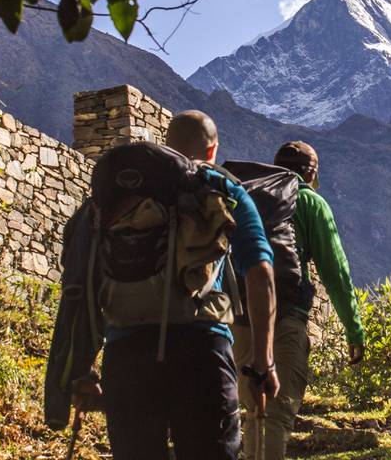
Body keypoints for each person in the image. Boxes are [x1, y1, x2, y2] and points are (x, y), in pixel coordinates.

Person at [74, 110, 280, 460]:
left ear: (167, 144)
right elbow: (260, 273)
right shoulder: (219, 186)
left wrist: (80, 368)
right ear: (212, 149)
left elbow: (81, 281)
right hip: (202, 350)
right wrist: (263, 362)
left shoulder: (119, 196)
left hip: (126, 354)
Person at [234, 140, 366, 460]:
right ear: (311, 173)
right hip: (285, 317)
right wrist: (354, 329)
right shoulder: (310, 202)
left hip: (238, 321)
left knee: (253, 413)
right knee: (277, 414)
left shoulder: (247, 198)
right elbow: (336, 272)